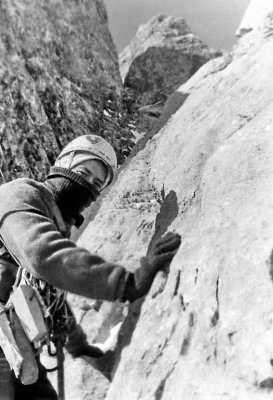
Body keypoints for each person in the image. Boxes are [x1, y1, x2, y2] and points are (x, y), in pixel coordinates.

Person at [0, 134, 181, 399]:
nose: (87, 186)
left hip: (14, 345)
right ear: (62, 164)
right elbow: (40, 253)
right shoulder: (19, 195)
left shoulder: (57, 226)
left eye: (97, 184)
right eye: (83, 173)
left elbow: (52, 299)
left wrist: (80, 346)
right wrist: (125, 283)